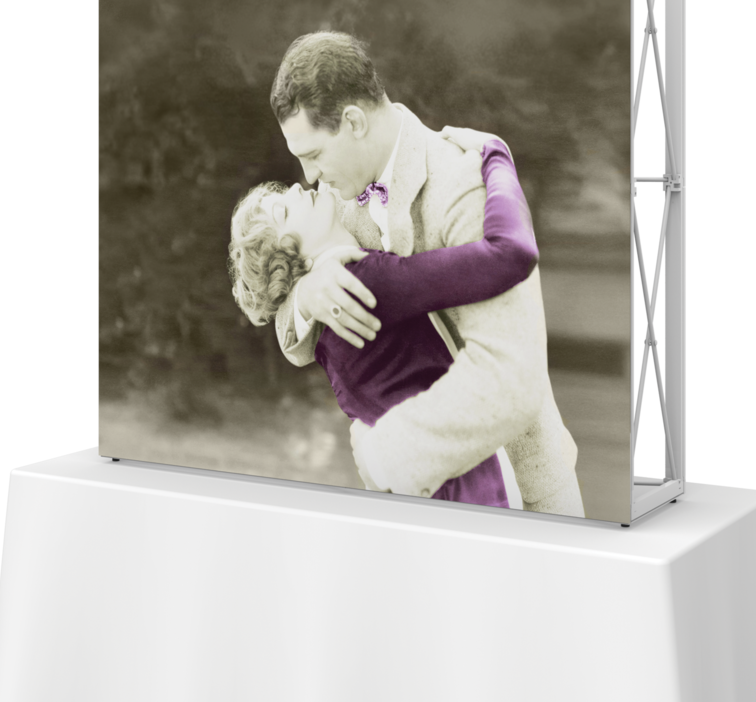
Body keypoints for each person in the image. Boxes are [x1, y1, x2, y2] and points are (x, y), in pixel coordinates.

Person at [270, 31, 584, 517]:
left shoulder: (461, 181)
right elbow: (289, 333)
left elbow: (510, 380)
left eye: (312, 155)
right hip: (420, 498)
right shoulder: (332, 201)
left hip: (521, 495)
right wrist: (309, 293)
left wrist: (386, 456)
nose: (309, 177)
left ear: (353, 122)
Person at [229, 132, 537, 508]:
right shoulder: (360, 284)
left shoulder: (323, 321)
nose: (296, 188)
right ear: (292, 261)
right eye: (284, 212)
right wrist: (497, 157)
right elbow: (510, 254)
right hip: (477, 492)